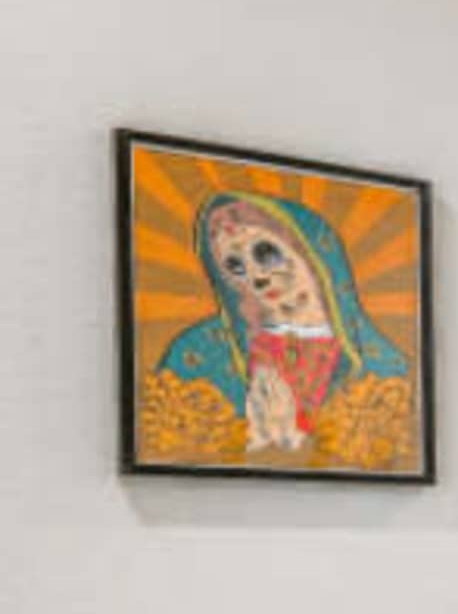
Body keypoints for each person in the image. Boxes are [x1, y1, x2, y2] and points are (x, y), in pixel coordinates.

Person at [139, 188, 416, 469]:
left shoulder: (385, 367)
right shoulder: (198, 354)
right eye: (236, 267)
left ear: (311, 254)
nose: (256, 277)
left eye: (266, 253)